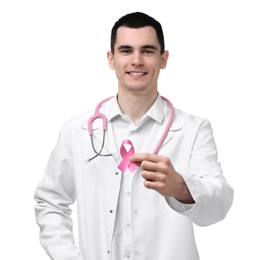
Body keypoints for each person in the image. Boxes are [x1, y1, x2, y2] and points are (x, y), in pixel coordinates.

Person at [34, 11, 234, 260]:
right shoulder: (78, 130)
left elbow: (219, 207)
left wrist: (181, 188)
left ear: (163, 59)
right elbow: (50, 202)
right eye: (126, 50)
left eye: (148, 51)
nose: (137, 60)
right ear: (111, 58)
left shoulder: (193, 130)